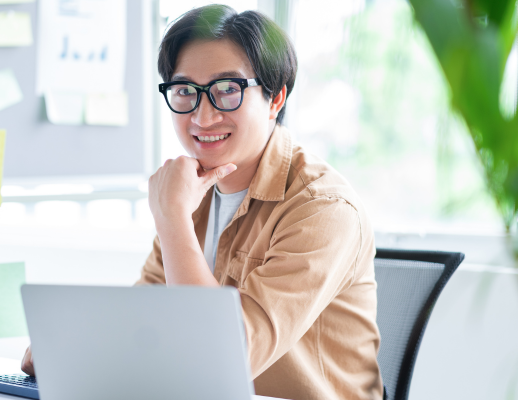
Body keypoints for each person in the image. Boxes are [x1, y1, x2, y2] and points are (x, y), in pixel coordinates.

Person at [22, 5, 383, 399]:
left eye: (227, 90)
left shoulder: (323, 210)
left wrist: (172, 218)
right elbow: (143, 322)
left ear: (275, 98)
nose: (203, 115)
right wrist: (70, 349)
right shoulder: (191, 195)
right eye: (184, 92)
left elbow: (225, 359)